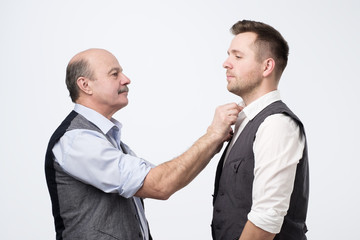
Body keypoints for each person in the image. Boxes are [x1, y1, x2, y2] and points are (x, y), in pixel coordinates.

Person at [45, 48, 241, 240]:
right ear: (85, 85)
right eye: (115, 74)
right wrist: (211, 135)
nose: (126, 79)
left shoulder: (110, 142)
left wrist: (213, 141)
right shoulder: (77, 141)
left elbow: (167, 179)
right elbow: (160, 184)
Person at [211, 20, 309, 240]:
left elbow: (266, 221)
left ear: (266, 66)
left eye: (237, 56)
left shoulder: (276, 124)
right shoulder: (245, 121)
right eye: (229, 55)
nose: (226, 63)